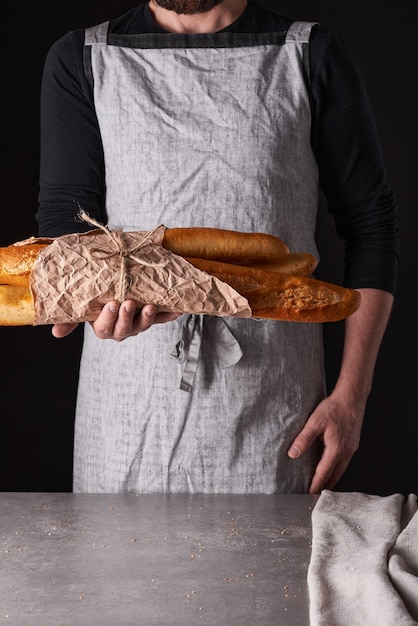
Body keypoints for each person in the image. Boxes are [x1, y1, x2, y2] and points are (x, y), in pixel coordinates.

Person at [36, 0, 399, 495]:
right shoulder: (83, 57)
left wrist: (351, 397)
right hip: (128, 411)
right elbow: (66, 230)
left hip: (274, 411)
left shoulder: (309, 54)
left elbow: (371, 227)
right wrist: (89, 303)